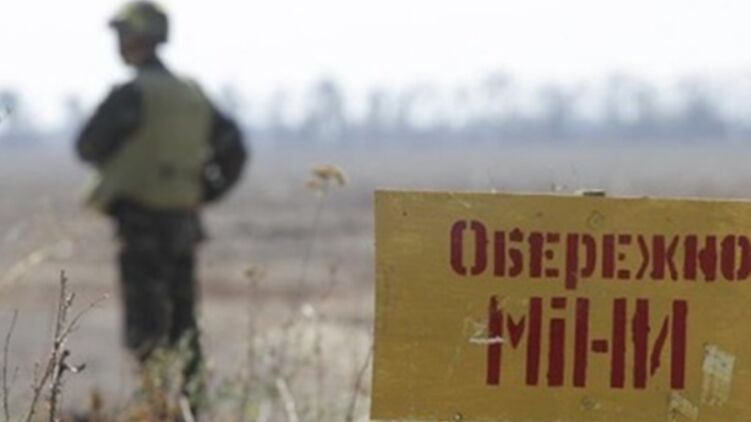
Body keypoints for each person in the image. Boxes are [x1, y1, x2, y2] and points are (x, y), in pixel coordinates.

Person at [75, 0, 247, 409]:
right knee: (184, 326)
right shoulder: (192, 94)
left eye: (122, 35)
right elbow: (234, 149)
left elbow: (88, 146)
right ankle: (191, 408)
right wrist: (202, 192)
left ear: (136, 38)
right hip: (184, 224)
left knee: (146, 329)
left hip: (140, 227)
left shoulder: (132, 94)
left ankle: (154, 407)